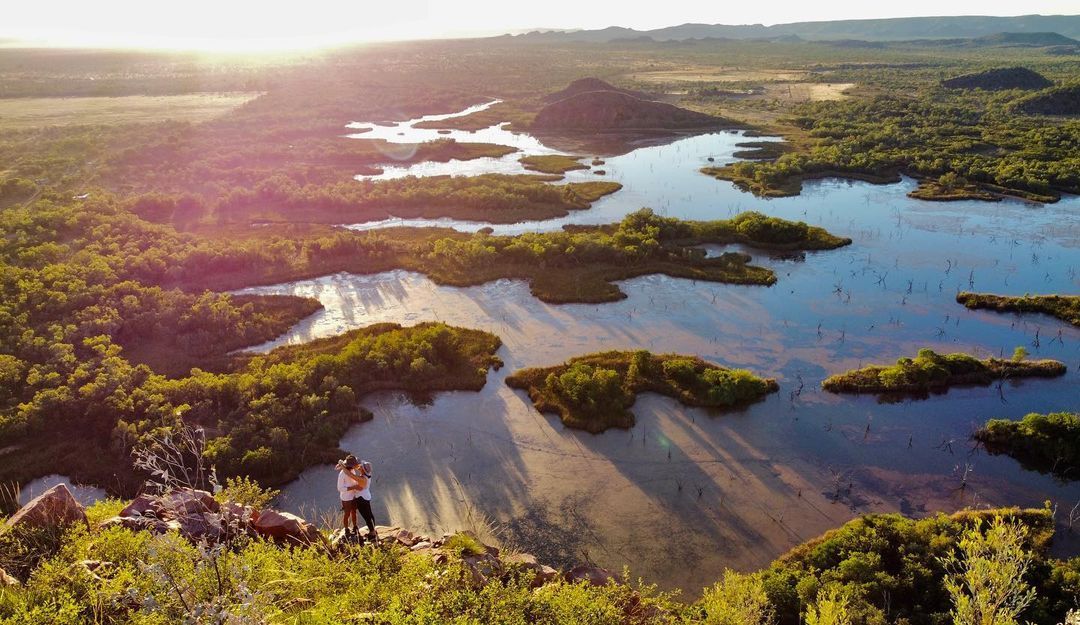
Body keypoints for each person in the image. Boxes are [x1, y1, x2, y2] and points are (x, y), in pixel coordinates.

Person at [336, 454, 377, 542]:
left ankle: (372, 533)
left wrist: (341, 464)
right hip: (366, 496)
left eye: (361, 467)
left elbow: (348, 473)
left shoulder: (361, 478)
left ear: (363, 470)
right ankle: (373, 530)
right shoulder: (367, 475)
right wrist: (342, 464)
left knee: (366, 516)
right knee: (369, 514)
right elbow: (354, 468)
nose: (359, 467)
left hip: (361, 499)